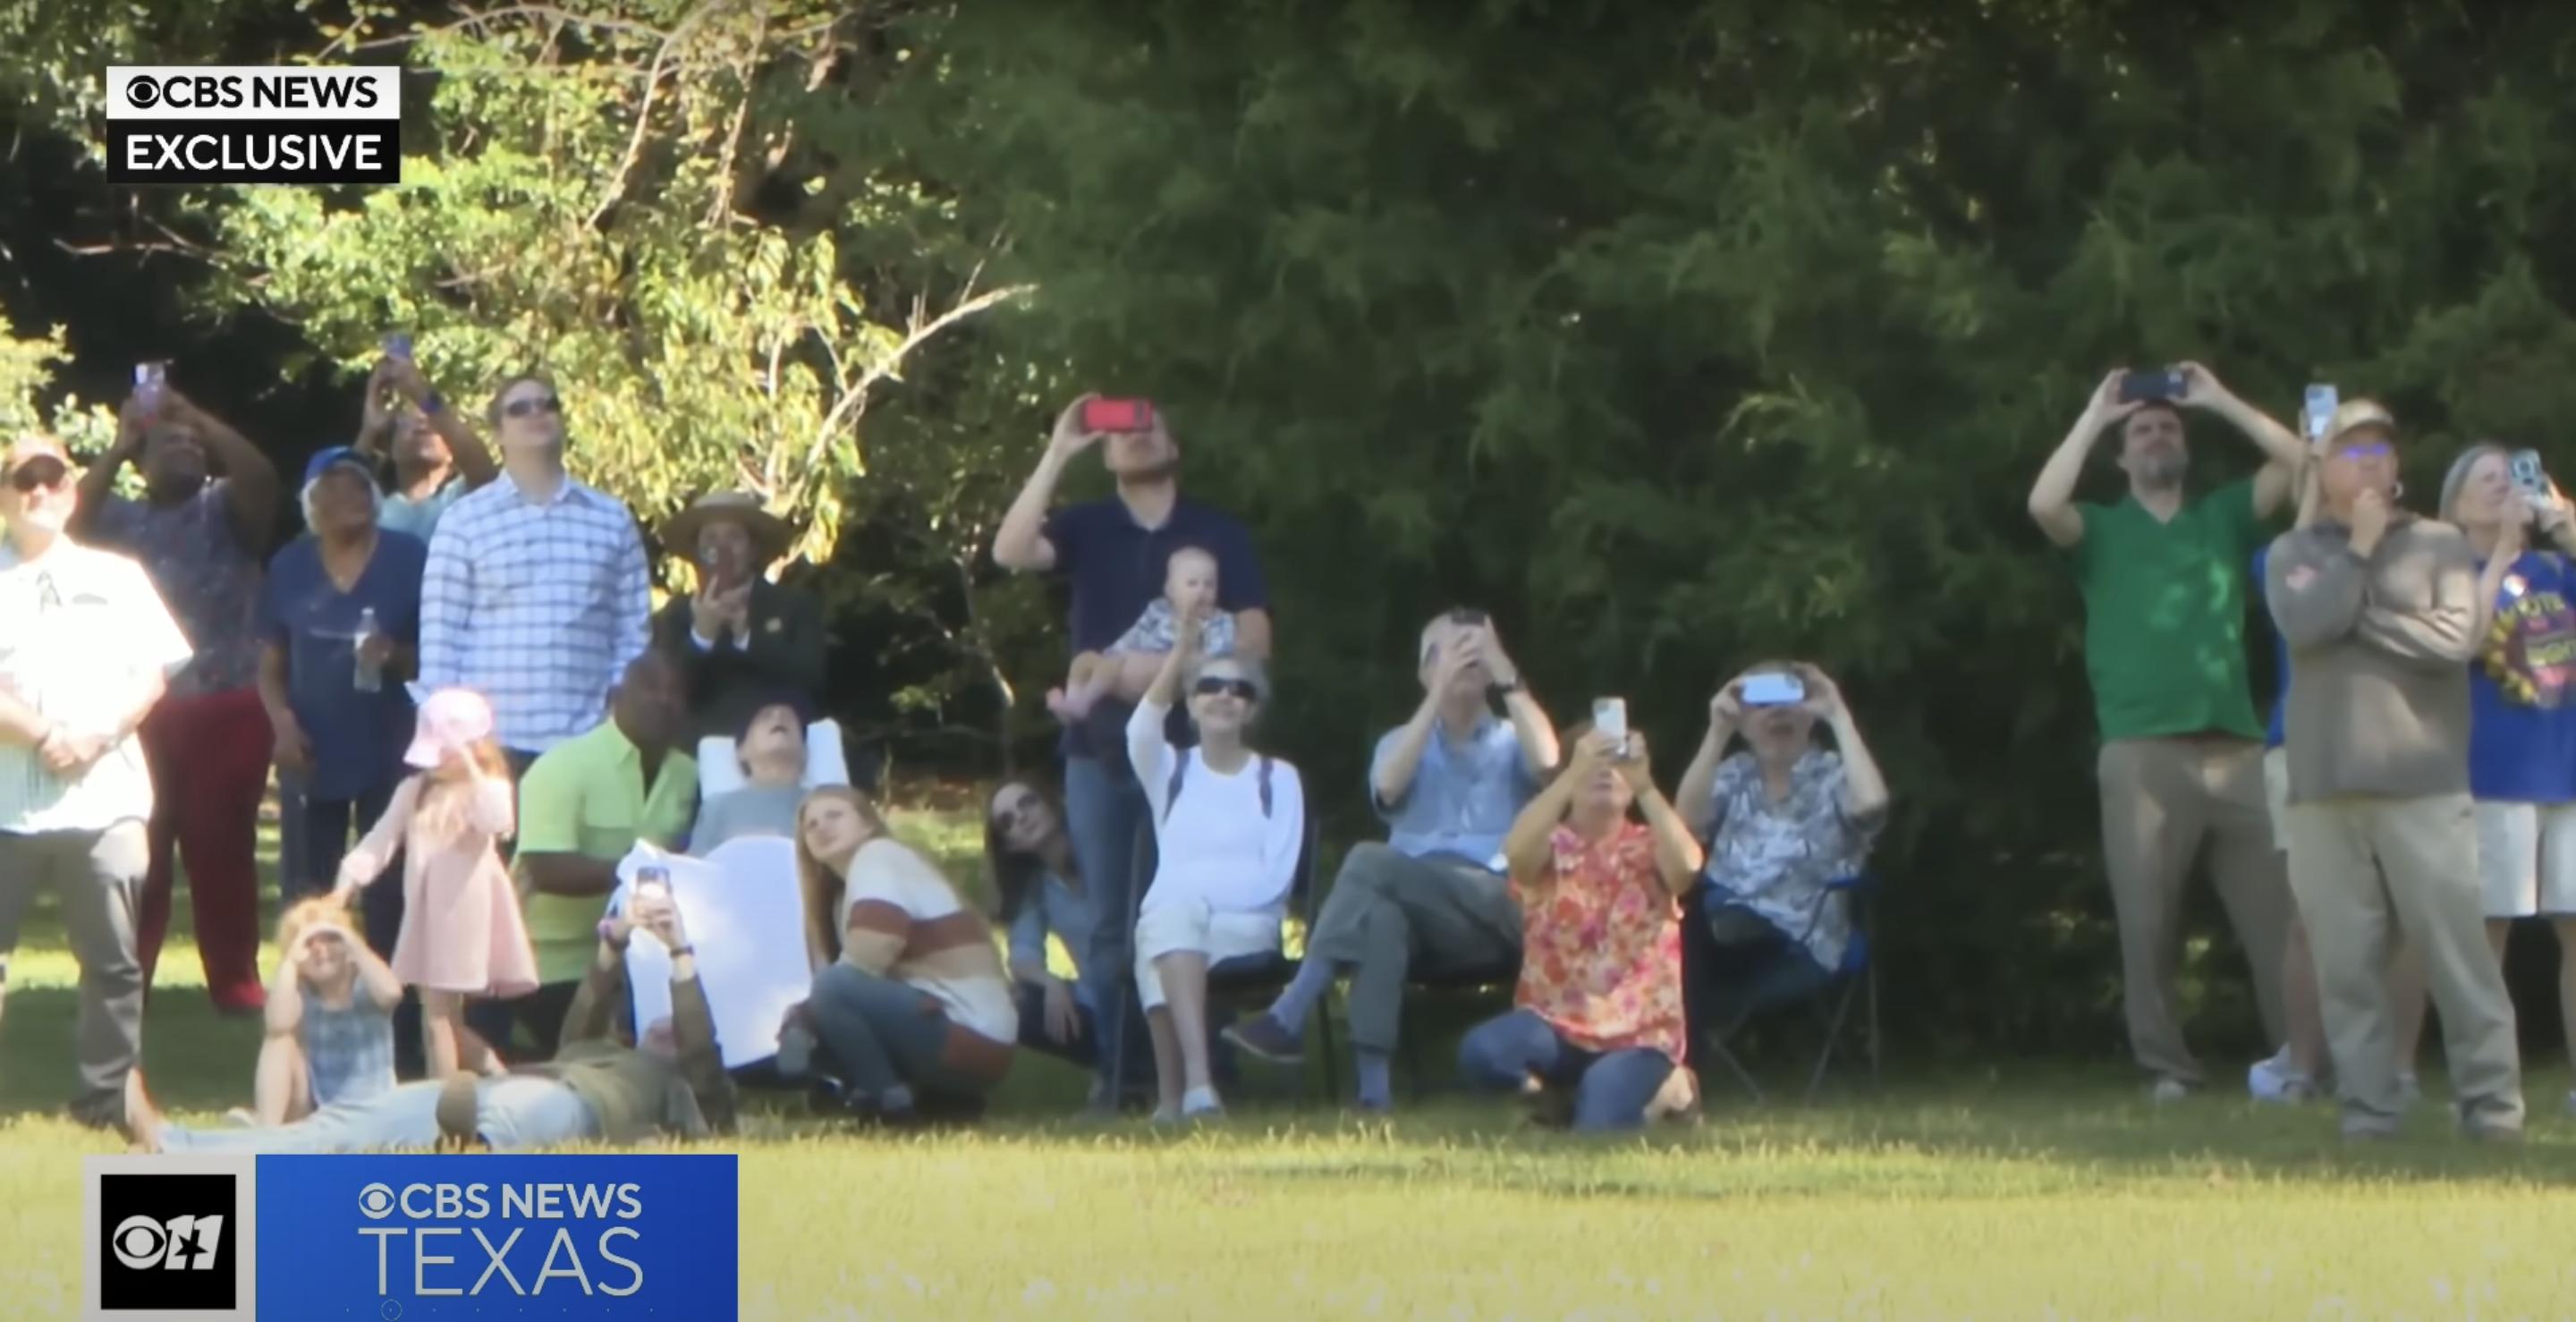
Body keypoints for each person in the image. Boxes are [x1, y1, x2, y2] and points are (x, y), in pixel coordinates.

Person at [2025, 362, 2307, 1099]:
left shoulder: (2222, 516)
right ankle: (2166, 1069)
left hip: (2237, 746)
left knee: (2279, 917)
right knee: (2146, 923)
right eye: (2142, 430)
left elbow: (2301, 463)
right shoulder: (2103, 530)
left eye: (2168, 428)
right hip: (2141, 751)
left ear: (2185, 447)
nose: (2155, 436)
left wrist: (2219, 398)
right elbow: (2043, 502)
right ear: (2123, 456)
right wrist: (2095, 412)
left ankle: (2300, 1061)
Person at [990, 394, 1273, 1104]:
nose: (1140, 435)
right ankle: (1121, 1081)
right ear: (1105, 452)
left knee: (1193, 912)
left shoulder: (1217, 534)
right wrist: (1059, 450)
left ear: (1177, 442)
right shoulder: (1088, 527)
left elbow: (1257, 646)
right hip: (1098, 753)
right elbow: (1009, 550)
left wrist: (1142, 675)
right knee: (1112, 924)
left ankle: (1209, 1074)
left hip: (1198, 758)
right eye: (1124, 428)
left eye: (1153, 423)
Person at [2264, 399, 2524, 1141]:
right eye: (2350, 453)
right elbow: (2306, 625)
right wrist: (2359, 555)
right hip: (2323, 788)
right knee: (2345, 965)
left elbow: (2453, 640)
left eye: (2380, 452)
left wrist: (2356, 610)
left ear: (2399, 466)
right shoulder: (2294, 551)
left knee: (2459, 957)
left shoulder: (2441, 545)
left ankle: (2493, 1110)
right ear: (2324, 468)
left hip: (2425, 785)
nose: (2369, 464)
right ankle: (2371, 1109)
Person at [1223, 611, 1558, 1113]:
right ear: (1423, 673)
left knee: (1367, 860)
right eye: (1444, 653)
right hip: (1423, 915)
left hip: (1498, 901)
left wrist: (1504, 670)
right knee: (1380, 916)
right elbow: (1388, 785)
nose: (1463, 660)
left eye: (1474, 650)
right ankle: (1373, 1095)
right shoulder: (1400, 742)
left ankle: (1291, 1012)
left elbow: (1550, 763)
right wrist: (1436, 699)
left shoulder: (1514, 738)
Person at [125, 887, 738, 1152]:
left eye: (679, 1030)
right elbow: (583, 1018)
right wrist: (615, 942)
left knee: (505, 1121)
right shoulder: (594, 1050)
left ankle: (468, 1155)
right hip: (498, 1088)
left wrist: (681, 951)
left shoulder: (681, 1088)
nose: (668, 1025)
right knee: (334, 1130)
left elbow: (702, 1050)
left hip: (565, 1108)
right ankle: (179, 1146)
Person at [0, 433, 193, 1127]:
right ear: (4, 496)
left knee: (113, 964)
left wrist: (96, 733)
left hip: (108, 797)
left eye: (52, 481)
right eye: (24, 481)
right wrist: (46, 733)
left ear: (73, 494)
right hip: (5, 805)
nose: (39, 493)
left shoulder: (119, 576)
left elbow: (153, 673)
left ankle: (105, 1102)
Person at [71, 380, 282, 1013]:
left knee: (222, 848)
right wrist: (118, 447)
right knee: (142, 847)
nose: (186, 448)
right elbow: (71, 518)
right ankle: (129, 977)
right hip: (143, 706)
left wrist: (200, 418)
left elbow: (265, 479)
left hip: (227, 700)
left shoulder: (227, 508)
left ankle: (236, 984)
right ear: (142, 461)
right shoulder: (121, 520)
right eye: (170, 442)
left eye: (196, 442)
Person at [2249, 467, 2428, 1106]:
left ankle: (2399, 1073)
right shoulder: (2285, 556)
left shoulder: (2418, 557)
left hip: (2395, 746)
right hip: (2303, 748)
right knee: (2311, 919)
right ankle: (2303, 1068)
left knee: (2407, 916)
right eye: (2340, 474)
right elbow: (2300, 616)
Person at [1458, 724, 1704, 1131]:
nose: (1605, 772)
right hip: (1555, 1026)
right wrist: (1571, 774)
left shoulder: (1649, 844)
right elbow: (1516, 855)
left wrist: (1646, 788)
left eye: (1617, 763)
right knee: (1481, 1052)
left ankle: (1674, 1088)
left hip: (1639, 1035)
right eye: (1593, 763)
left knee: (1599, 1124)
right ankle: (1555, 1100)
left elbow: (1688, 866)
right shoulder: (1550, 845)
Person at [419, 374, 650, 767]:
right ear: (499, 433)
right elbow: (441, 642)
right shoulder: (464, 521)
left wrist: (617, 721)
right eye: (520, 408)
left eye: (548, 404)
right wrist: (446, 746)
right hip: (488, 749)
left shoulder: (612, 519)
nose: (537, 414)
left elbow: (633, 634)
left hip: (587, 744)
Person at [2442, 442, 2576, 1114]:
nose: (2503, 487)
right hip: (2493, 773)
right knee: (2487, 934)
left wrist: (2561, 517)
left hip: (2567, 772)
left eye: (2511, 476)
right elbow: (2463, 639)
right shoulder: (2446, 567)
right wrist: (2498, 557)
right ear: (2457, 503)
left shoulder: (2557, 565)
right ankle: (2488, 1085)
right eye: (2485, 479)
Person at [1125, 620, 1304, 1122]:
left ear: (1251, 708)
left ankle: (1175, 1097)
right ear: (1190, 702)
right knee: (1168, 926)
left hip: (1246, 924)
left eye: (1239, 689)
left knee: (1163, 930)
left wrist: (1197, 902)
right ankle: (1197, 1090)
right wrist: (1181, 653)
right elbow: (1139, 728)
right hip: (1177, 923)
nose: (1224, 696)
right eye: (1209, 686)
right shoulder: (1170, 770)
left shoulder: (1277, 779)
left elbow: (1278, 876)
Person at [1674, 662, 1890, 1035]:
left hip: (1798, 939)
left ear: (1809, 717)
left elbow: (1871, 806)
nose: (1778, 712)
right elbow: (1684, 825)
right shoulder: (1734, 773)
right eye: (1762, 703)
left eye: (1790, 700)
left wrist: (1839, 717)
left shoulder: (1834, 774)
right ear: (1744, 724)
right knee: (1674, 929)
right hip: (1718, 928)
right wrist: (1717, 732)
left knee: (1691, 938)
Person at [334, 688, 538, 1080]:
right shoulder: (415, 792)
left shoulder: (485, 791)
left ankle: (443, 1100)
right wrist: (347, 884)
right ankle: (494, 1077)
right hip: (428, 915)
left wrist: (471, 763)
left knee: (438, 1017)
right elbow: (379, 843)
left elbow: (498, 822)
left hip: (465, 915)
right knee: (442, 1016)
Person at [504, 651, 697, 1057]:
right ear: (614, 698)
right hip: (553, 962)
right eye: (648, 688)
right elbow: (544, 869)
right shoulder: (562, 766)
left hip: (650, 957)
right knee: (599, 1053)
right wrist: (638, 871)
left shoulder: (688, 774)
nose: (662, 700)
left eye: (674, 693)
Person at [792, 787, 1016, 1123]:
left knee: (830, 992)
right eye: (811, 825)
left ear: (868, 824)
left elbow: (873, 952)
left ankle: (890, 1105)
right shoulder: (845, 893)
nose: (822, 827)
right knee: (821, 1014)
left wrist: (803, 1017)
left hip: (969, 1034)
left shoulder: (879, 856)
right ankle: (944, 1102)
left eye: (835, 815)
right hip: (975, 1043)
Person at [649, 492, 826, 743]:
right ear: (698, 551)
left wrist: (747, 637)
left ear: (753, 549)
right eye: (710, 539)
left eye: (734, 537)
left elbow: (811, 678)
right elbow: (665, 690)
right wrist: (701, 636)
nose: (722, 549)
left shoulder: (794, 605)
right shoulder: (677, 613)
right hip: (698, 755)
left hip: (780, 754)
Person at [248, 897, 401, 1124]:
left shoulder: (366, 984)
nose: (320, 950)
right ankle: (268, 1133)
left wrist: (352, 942)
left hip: (375, 1109)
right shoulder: (300, 993)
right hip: (320, 1109)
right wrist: (290, 962)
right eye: (308, 944)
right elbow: (277, 1024)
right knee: (280, 1041)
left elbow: (391, 994)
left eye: (331, 939)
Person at [987, 779, 1102, 1067]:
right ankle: (1117, 1067)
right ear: (1010, 845)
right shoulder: (1037, 884)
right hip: (1097, 998)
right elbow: (1023, 954)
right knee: (1018, 1003)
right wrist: (1051, 982)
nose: (1021, 817)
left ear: (1052, 803)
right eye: (1007, 821)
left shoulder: (1100, 849)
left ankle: (1130, 1071)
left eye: (1027, 802)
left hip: (1149, 984)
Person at [1048, 545, 1234, 721]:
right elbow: (1135, 634)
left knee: (1111, 664)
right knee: (1085, 659)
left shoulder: (1218, 621)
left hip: (1167, 678)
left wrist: (1189, 651)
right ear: (1171, 590)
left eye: (1209, 585)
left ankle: (1083, 702)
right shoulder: (1159, 609)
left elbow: (1219, 656)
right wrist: (1115, 654)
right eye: (1192, 584)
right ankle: (1074, 702)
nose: (1201, 590)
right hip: (1129, 662)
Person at [352, 352, 498, 539]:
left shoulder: (460, 498)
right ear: (391, 449)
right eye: (407, 421)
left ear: (453, 452)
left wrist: (422, 394)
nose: (422, 421)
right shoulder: (373, 513)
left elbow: (483, 470)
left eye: (432, 423)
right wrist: (369, 430)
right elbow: (335, 503)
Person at [687, 694, 817, 852]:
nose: (778, 716)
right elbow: (696, 869)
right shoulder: (718, 808)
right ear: (741, 751)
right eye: (765, 717)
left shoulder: (829, 800)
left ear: (805, 752)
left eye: (790, 718)